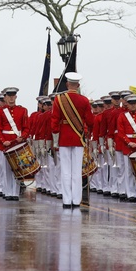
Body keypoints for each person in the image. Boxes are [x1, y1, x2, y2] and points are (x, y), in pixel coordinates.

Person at [51, 73, 95, 208]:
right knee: (76, 171)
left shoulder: (59, 99)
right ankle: (76, 201)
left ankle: (66, 200)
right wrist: (87, 133)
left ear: (67, 84)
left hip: (64, 137)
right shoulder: (84, 100)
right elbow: (90, 121)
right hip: (78, 138)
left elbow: (54, 121)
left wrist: (55, 136)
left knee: (65, 171)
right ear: (78, 85)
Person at [0, 86, 28, 201]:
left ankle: (15, 192)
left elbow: (26, 128)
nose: (11, 98)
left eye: (13, 96)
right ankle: (7, 191)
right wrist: (3, 141)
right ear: (5, 97)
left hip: (17, 143)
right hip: (4, 144)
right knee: (5, 169)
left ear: (16, 96)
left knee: (17, 169)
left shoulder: (23, 110)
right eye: (9, 96)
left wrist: (22, 137)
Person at [117, 94, 136, 202]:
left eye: (134, 103)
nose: (133, 106)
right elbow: (121, 132)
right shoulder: (122, 116)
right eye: (130, 104)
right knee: (129, 171)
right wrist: (129, 142)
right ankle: (130, 193)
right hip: (128, 146)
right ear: (127, 105)